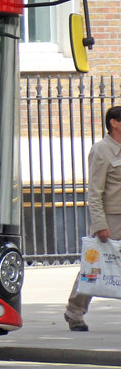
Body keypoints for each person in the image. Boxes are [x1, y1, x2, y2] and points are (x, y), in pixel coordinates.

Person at [65, 105, 121, 331]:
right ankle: (75, 311)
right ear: (114, 123)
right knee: (94, 266)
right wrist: (100, 224)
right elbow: (95, 191)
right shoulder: (101, 150)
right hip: (112, 218)